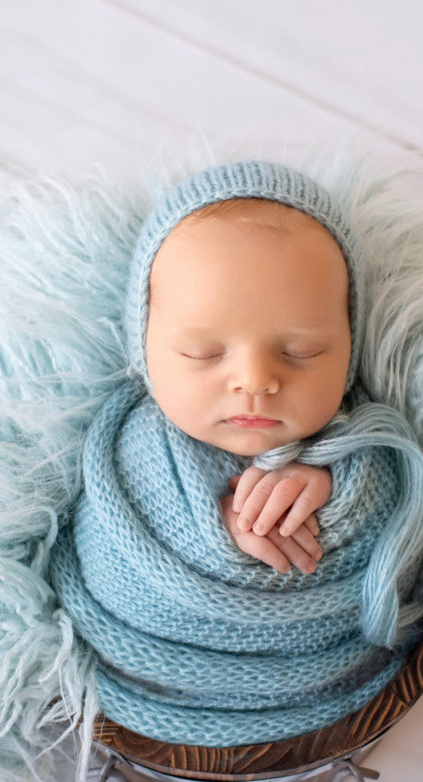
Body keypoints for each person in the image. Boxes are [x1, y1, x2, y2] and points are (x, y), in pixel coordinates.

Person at [143, 196, 352, 575]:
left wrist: (338, 486)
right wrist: (210, 527)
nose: (255, 381)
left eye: (302, 352)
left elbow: (409, 501)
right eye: (202, 352)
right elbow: (99, 546)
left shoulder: (368, 437)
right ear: (143, 348)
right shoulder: (131, 447)